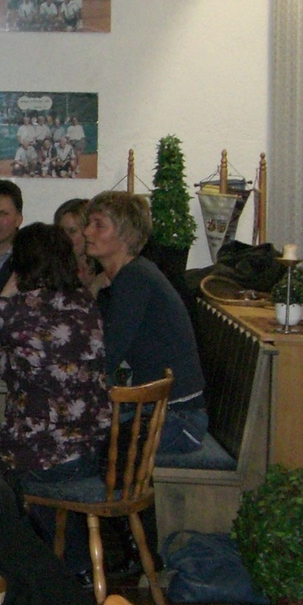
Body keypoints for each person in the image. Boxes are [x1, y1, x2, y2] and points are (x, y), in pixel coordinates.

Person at [0, 223, 111, 570]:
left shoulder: (15, 310)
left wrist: (8, 290)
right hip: (92, 449)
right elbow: (47, 361)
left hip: (43, 455)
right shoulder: (86, 303)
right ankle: (71, 562)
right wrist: (11, 364)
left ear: (21, 265)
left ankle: (34, 566)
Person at [82, 191, 208, 456]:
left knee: (71, 445)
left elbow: (106, 356)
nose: (86, 232)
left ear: (126, 235)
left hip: (177, 419)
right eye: (88, 224)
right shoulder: (129, 275)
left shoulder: (134, 279)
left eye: (98, 225)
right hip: (155, 411)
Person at [55, 197, 108, 294]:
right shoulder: (55, 269)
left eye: (72, 231)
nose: (65, 237)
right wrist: (94, 287)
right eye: (61, 231)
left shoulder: (105, 265)